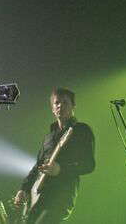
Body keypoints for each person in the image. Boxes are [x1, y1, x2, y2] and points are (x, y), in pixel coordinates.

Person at [14, 88, 96, 223]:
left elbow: (89, 165)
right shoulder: (49, 137)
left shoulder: (81, 130)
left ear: (73, 106)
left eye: (65, 102)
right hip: (39, 196)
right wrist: (24, 189)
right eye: (57, 103)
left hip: (61, 195)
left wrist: (61, 169)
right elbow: (38, 166)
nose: (60, 106)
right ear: (52, 108)